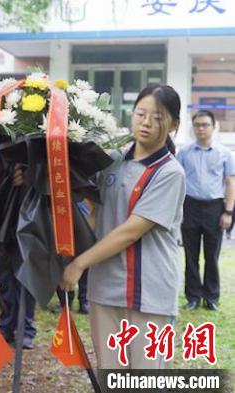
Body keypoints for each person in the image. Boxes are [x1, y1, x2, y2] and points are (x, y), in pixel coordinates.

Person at [61, 84, 186, 370]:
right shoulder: (113, 160)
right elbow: (94, 215)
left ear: (174, 125)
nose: (147, 122)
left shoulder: (169, 172)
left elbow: (131, 230)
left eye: (158, 117)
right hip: (105, 286)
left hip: (150, 291)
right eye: (141, 113)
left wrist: (79, 264)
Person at [176, 110, 234, 312]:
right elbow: (178, 183)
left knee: (212, 255)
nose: (201, 128)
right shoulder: (184, 153)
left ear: (213, 126)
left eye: (205, 125)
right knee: (190, 256)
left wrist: (228, 212)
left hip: (214, 208)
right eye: (198, 125)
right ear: (193, 128)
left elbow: (229, 184)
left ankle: (211, 297)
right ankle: (192, 297)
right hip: (190, 206)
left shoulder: (224, 153)